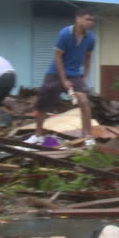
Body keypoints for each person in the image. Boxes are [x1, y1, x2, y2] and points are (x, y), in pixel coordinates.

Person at [29, 9, 95, 143]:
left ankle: (88, 136)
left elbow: (88, 57)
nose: (90, 23)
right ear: (78, 19)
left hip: (75, 74)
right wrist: (63, 79)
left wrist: (84, 76)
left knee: (84, 101)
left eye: (92, 20)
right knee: (43, 103)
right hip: (55, 73)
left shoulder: (91, 38)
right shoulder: (65, 34)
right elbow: (58, 57)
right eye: (87, 19)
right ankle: (37, 135)